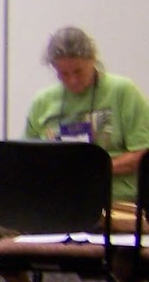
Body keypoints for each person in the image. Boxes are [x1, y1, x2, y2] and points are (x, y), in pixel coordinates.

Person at [23, 27, 149, 205]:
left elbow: (142, 154)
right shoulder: (43, 101)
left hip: (117, 200)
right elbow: (28, 159)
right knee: (2, 230)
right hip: (59, 201)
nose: (72, 80)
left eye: (78, 72)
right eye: (63, 74)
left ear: (93, 60)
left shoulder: (123, 91)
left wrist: (94, 170)